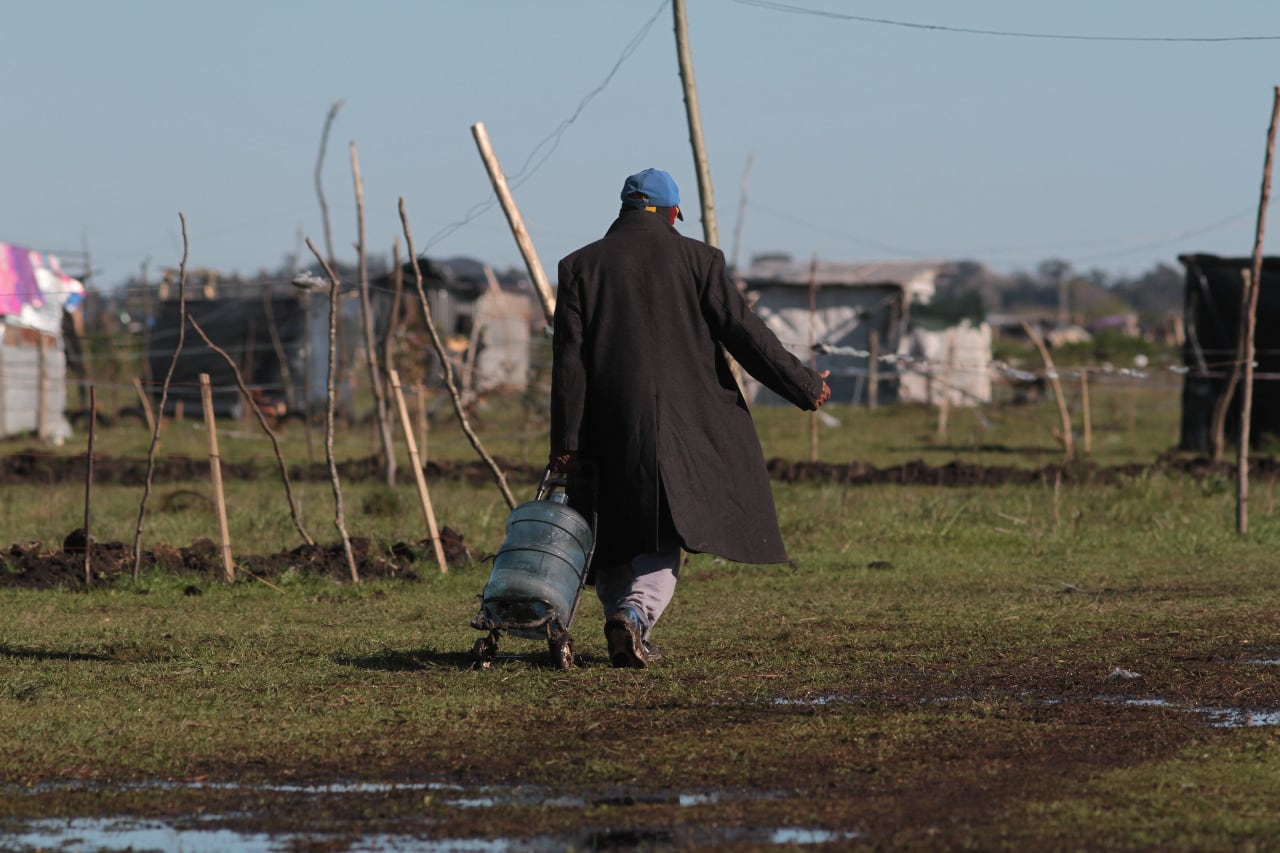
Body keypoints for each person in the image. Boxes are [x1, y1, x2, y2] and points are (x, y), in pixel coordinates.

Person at [550, 168, 831, 669]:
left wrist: (566, 443)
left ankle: (620, 614)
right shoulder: (699, 259)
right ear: (673, 212)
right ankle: (633, 617)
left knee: (613, 529)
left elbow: (569, 364)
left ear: (624, 209)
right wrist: (805, 385)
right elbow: (747, 336)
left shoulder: (579, 266)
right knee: (665, 529)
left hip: (607, 427)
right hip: (685, 428)